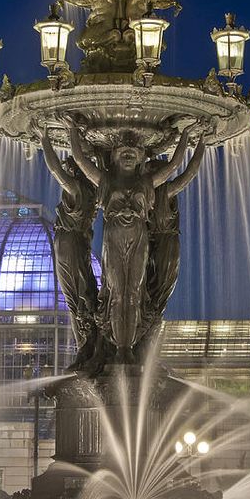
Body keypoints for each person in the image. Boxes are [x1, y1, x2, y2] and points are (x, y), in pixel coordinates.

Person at [69, 125, 192, 364]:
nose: (129, 152)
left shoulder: (148, 183)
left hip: (139, 240)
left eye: (135, 150)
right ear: (113, 155)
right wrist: (69, 130)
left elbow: (178, 168)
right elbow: (79, 159)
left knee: (135, 292)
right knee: (115, 292)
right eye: (123, 149)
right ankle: (118, 348)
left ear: (142, 157)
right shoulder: (104, 180)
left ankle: (127, 347)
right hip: (113, 240)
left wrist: (191, 138)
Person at [40, 128, 98, 369]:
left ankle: (86, 347)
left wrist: (45, 140)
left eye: (71, 169)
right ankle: (87, 346)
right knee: (80, 296)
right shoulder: (94, 193)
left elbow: (55, 170)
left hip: (68, 246)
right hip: (75, 245)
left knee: (76, 298)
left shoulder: (76, 191)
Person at [144, 135, 206, 345]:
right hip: (142, 246)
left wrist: (201, 144)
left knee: (158, 292)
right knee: (141, 292)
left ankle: (145, 342)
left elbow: (188, 173)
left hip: (165, 248)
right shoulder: (139, 194)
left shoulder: (165, 192)